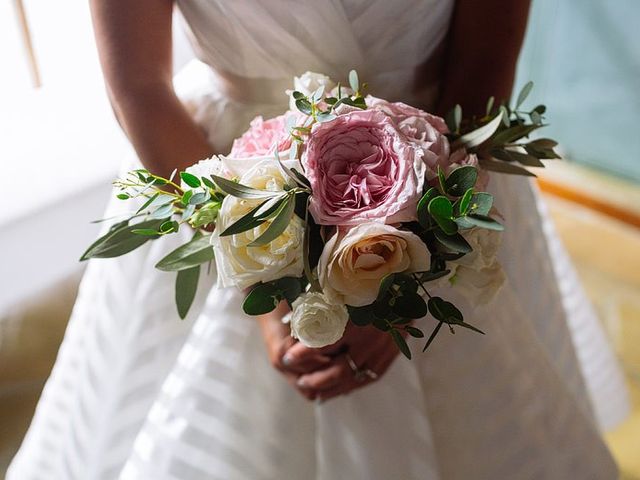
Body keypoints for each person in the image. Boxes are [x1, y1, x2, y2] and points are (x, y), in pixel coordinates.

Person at [8, 0, 629, 479]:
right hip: (221, 177)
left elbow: (482, 69)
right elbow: (138, 86)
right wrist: (265, 281)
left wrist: (406, 272)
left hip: (443, 165)